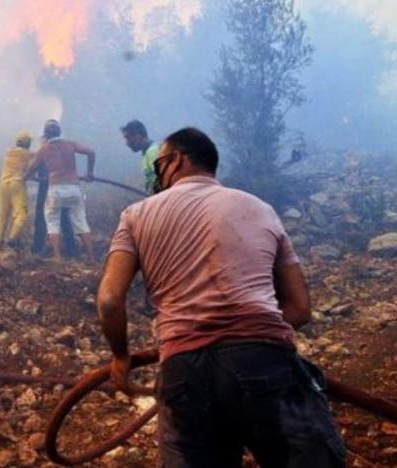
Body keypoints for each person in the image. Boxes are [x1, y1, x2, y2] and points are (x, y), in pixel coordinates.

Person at [97, 127, 345, 467]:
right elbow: (300, 308)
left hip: (183, 371)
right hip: (265, 361)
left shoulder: (135, 215)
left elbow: (110, 300)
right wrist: (247, 330)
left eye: (159, 167)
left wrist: (121, 355)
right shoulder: (260, 209)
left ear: (178, 159)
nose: (157, 175)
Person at [26, 119, 96, 262]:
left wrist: (28, 177)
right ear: (59, 132)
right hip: (74, 188)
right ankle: (91, 257)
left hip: (56, 189)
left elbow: (32, 167)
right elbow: (91, 152)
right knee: (81, 222)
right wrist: (90, 173)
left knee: (52, 222)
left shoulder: (44, 149)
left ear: (45, 135)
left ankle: (57, 258)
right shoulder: (70, 144)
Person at [0, 131, 33, 254]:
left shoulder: (9, 152)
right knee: (21, 214)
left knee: (3, 215)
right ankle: (12, 239)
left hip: (3, 184)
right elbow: (38, 159)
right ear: (27, 143)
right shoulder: (27, 154)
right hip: (17, 183)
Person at [121, 120, 159, 194]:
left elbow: (163, 180)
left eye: (128, 138)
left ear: (138, 136)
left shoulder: (153, 152)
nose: (127, 143)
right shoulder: (146, 153)